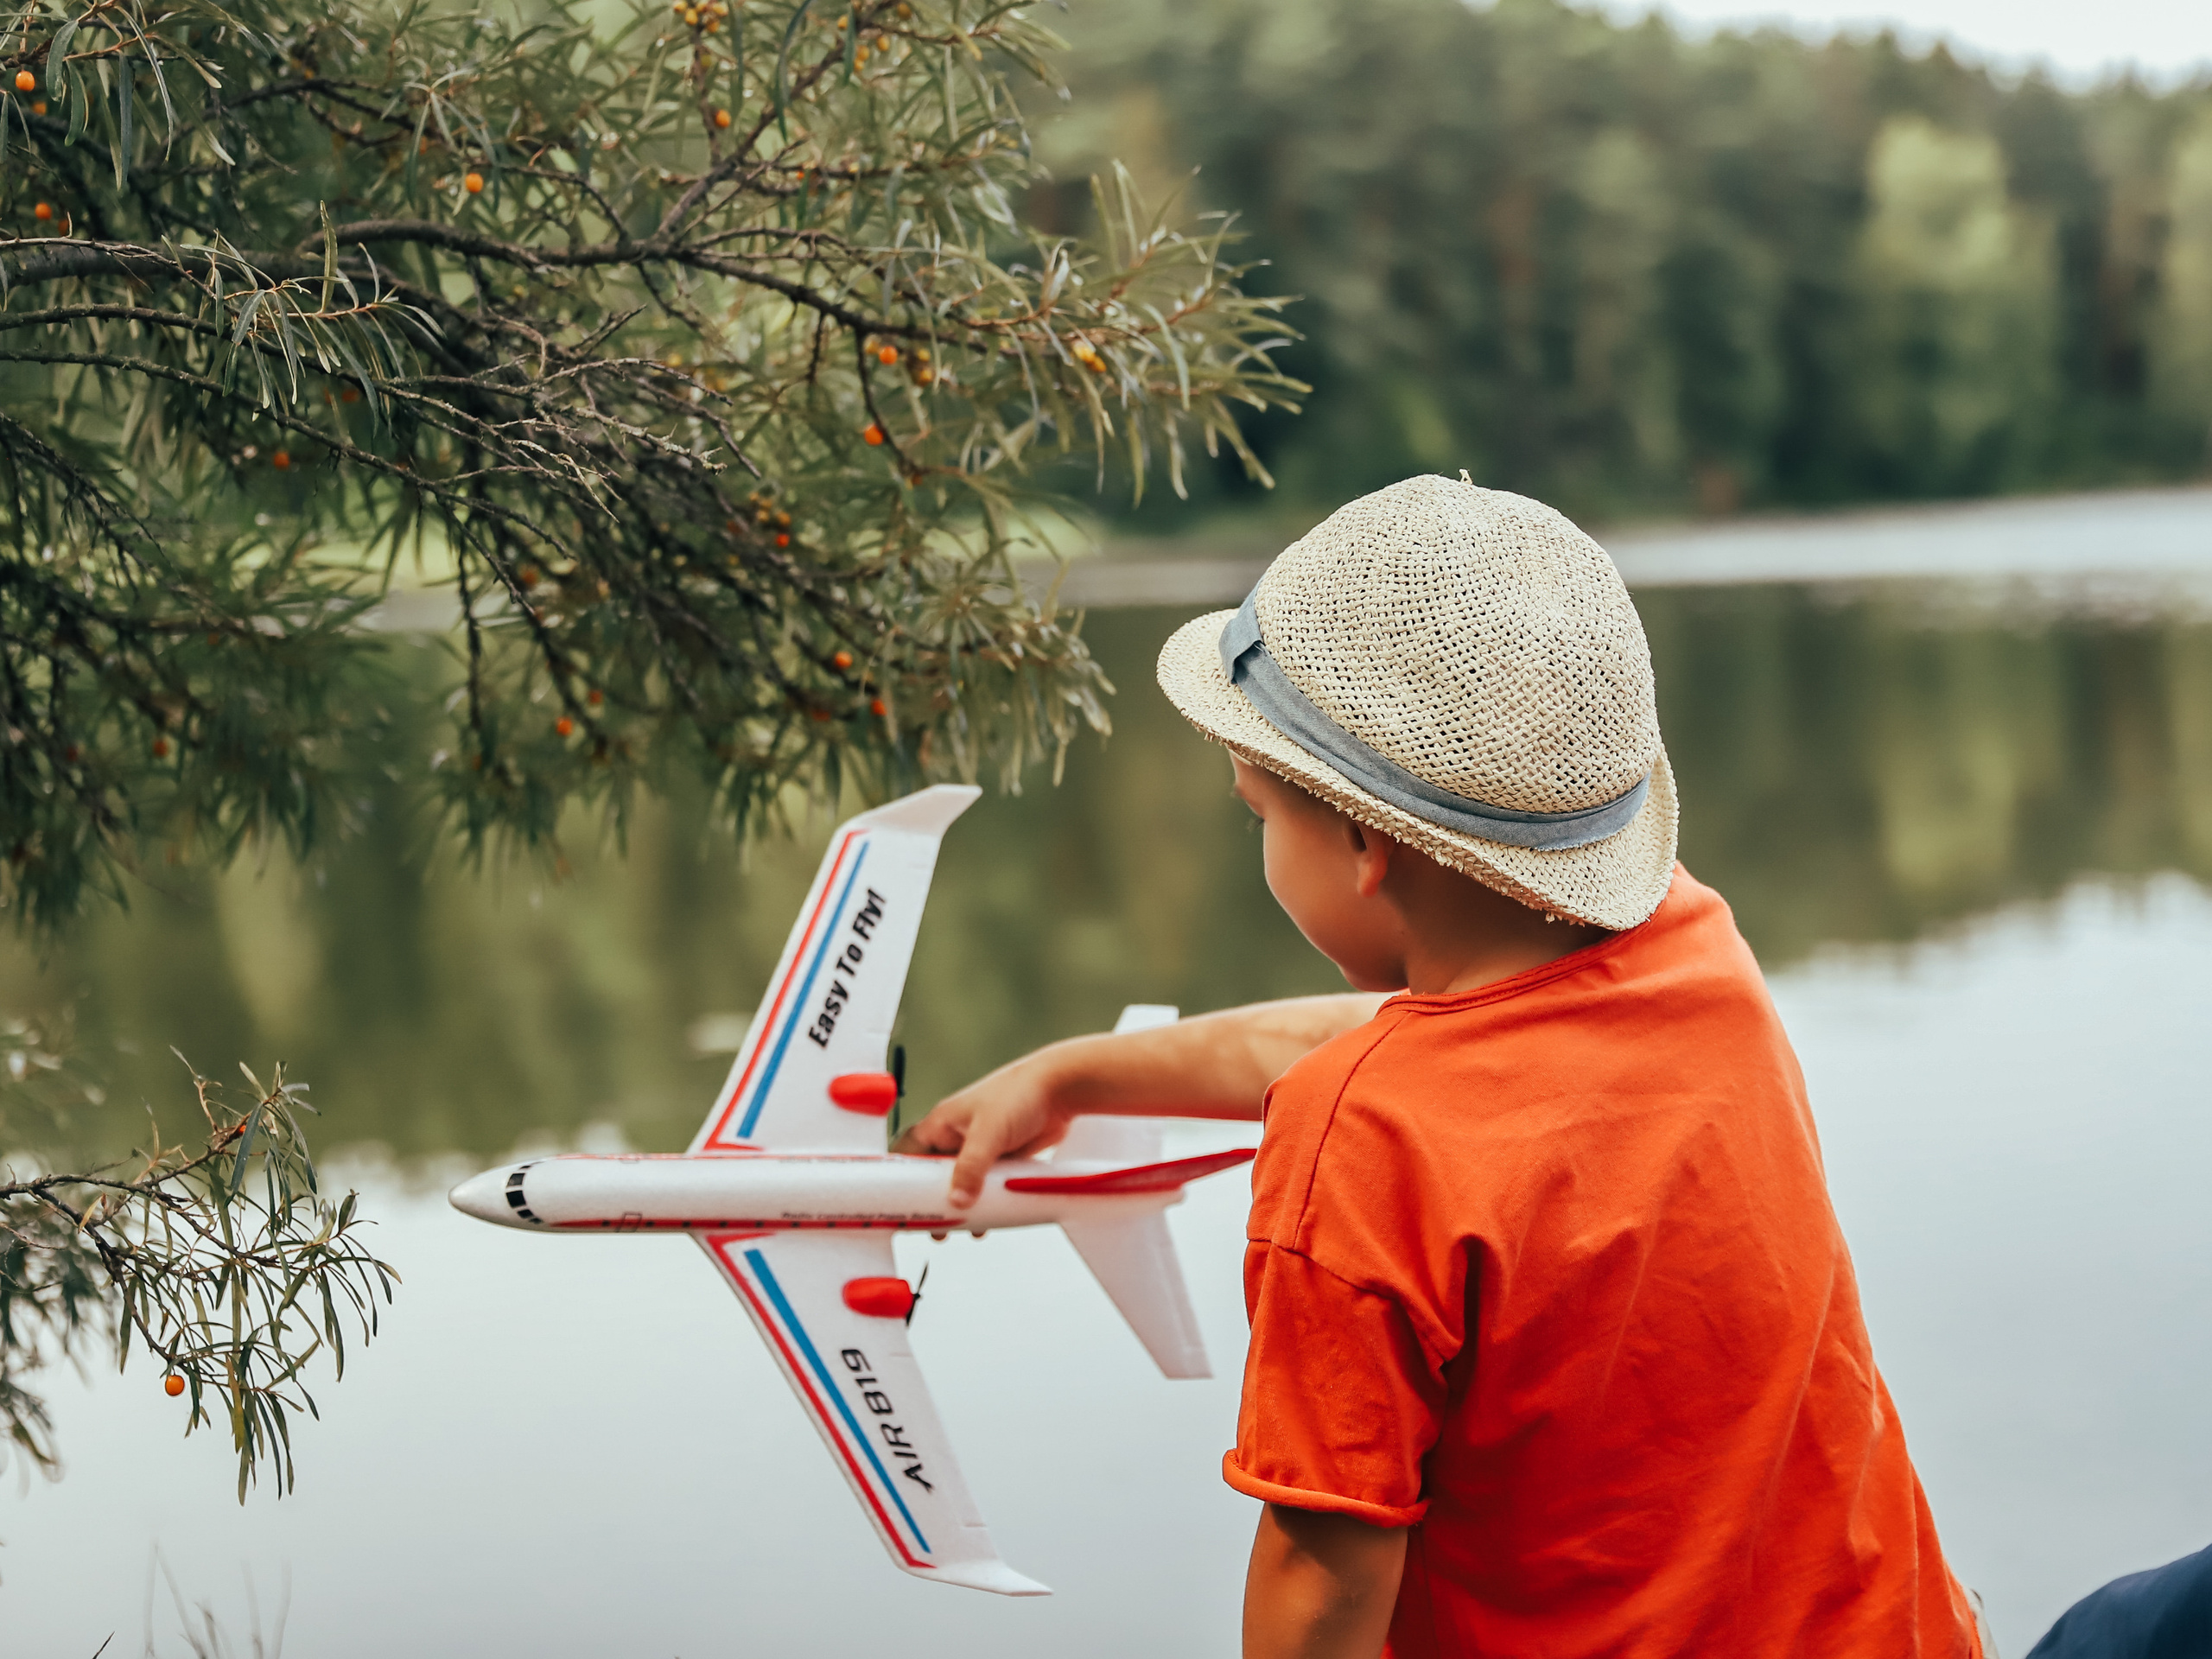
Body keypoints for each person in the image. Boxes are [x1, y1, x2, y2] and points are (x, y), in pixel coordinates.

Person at [897, 474, 1989, 1659]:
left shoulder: (1361, 1147)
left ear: (1364, 844)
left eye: (1256, 811)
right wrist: (1081, 1074)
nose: (1255, 832)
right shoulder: (1692, 952)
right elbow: (1424, 1061)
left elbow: (1322, 1582)